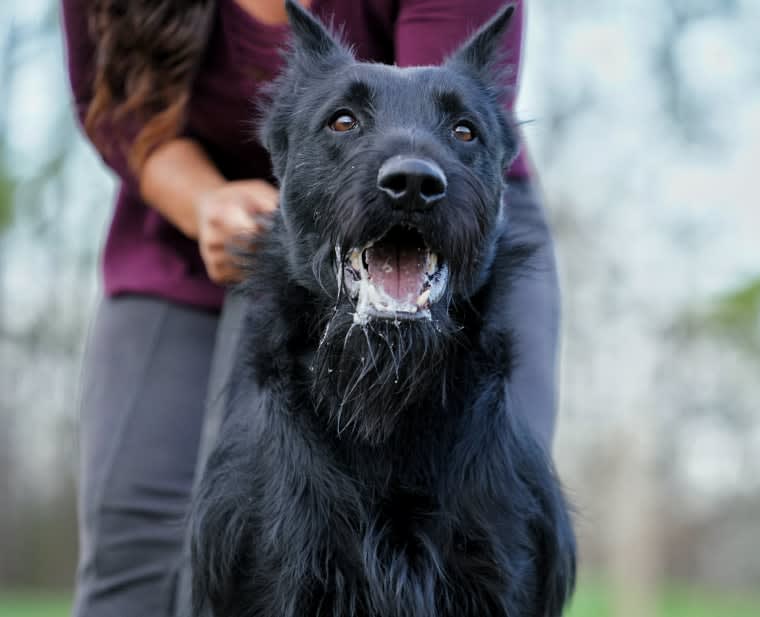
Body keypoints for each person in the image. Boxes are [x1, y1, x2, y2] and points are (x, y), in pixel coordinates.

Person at [61, 1, 560, 616]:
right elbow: (115, 104)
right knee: (141, 541)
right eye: (346, 119)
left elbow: (426, 120)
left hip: (452, 242)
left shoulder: (429, 163)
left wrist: (398, 165)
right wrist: (202, 202)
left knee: (476, 527)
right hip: (181, 228)